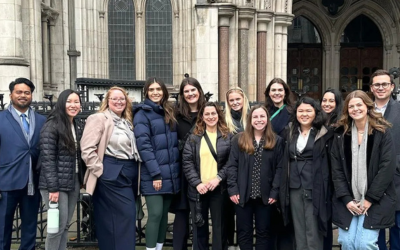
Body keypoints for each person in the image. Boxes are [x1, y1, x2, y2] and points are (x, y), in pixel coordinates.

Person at [331, 90, 396, 250]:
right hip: (348, 200)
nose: (355, 109)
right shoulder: (340, 134)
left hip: (375, 199)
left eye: (359, 105)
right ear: (347, 110)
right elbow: (336, 169)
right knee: (347, 242)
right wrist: (346, 199)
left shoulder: (383, 132)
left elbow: (386, 167)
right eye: (351, 106)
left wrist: (369, 198)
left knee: (365, 243)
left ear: (367, 106)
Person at [81, 86, 141, 250]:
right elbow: (86, 149)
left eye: (122, 99)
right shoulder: (99, 118)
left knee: (112, 221)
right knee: (126, 217)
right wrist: (101, 170)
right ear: (107, 101)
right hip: (111, 173)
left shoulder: (126, 121)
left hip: (128, 174)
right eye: (114, 98)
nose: (118, 101)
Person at [227, 105, 284, 250]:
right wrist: (233, 189)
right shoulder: (238, 140)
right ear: (250, 119)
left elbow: (280, 168)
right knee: (244, 232)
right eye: (255, 117)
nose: (259, 120)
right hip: (242, 194)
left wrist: (275, 191)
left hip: (265, 196)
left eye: (262, 116)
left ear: (267, 119)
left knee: (263, 233)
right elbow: (232, 166)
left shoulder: (276, 141)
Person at [280, 97, 333, 250]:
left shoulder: (324, 133)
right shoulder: (289, 131)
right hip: (294, 186)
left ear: (316, 113)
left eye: (308, 111)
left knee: (314, 229)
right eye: (300, 111)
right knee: (298, 229)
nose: (304, 114)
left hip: (315, 186)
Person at [133, 77, 180, 250]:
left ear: (164, 92)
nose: (155, 92)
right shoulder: (142, 114)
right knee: (155, 214)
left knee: (163, 217)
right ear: (146, 92)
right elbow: (144, 146)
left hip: (170, 174)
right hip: (154, 175)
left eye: (158, 89)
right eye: (151, 89)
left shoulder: (168, 111)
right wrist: (155, 174)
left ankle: (159, 247)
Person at [0, 78, 46, 250]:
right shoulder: (1, 119)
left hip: (32, 184)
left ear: (31, 95)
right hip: (6, 183)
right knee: (3, 229)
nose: (23, 96)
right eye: (19, 92)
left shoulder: (41, 120)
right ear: (11, 94)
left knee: (30, 229)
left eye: (27, 92)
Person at [38, 89, 84, 250]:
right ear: (62, 103)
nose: (73, 105)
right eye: (69, 101)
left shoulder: (76, 124)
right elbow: (47, 158)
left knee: (64, 226)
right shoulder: (52, 124)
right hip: (55, 185)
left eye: (76, 102)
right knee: (55, 227)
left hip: (73, 181)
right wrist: (53, 188)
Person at [183, 102, 232, 250]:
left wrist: (218, 178)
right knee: (199, 227)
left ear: (218, 115)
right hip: (199, 189)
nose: (211, 117)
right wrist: (197, 183)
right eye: (207, 114)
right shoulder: (194, 137)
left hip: (219, 189)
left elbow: (231, 162)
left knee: (219, 227)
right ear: (202, 117)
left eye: (213, 113)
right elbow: (187, 162)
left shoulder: (227, 136)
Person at [172, 75, 206, 250]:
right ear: (182, 95)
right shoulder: (176, 115)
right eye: (186, 91)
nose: (190, 94)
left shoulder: (208, 112)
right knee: (182, 213)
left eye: (193, 90)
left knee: (200, 213)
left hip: (205, 171)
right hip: (183, 170)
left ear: (199, 91)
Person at [368, 69, 400, 250]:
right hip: (371, 180)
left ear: (392, 87)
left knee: (397, 228)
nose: (381, 88)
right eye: (377, 85)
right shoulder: (363, 110)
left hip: (397, 180)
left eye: (384, 84)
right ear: (371, 88)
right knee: (374, 229)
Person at [320, 88, 343, 250]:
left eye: (331, 101)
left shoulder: (341, 124)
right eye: (324, 100)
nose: (327, 104)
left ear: (337, 103)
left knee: (330, 219)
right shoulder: (317, 121)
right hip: (320, 177)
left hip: (335, 177)